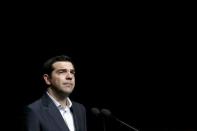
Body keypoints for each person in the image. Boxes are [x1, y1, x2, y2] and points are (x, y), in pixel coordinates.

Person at [23, 55, 87, 131]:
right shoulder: (34, 110)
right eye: (62, 72)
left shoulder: (80, 109)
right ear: (47, 79)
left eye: (72, 72)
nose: (70, 76)